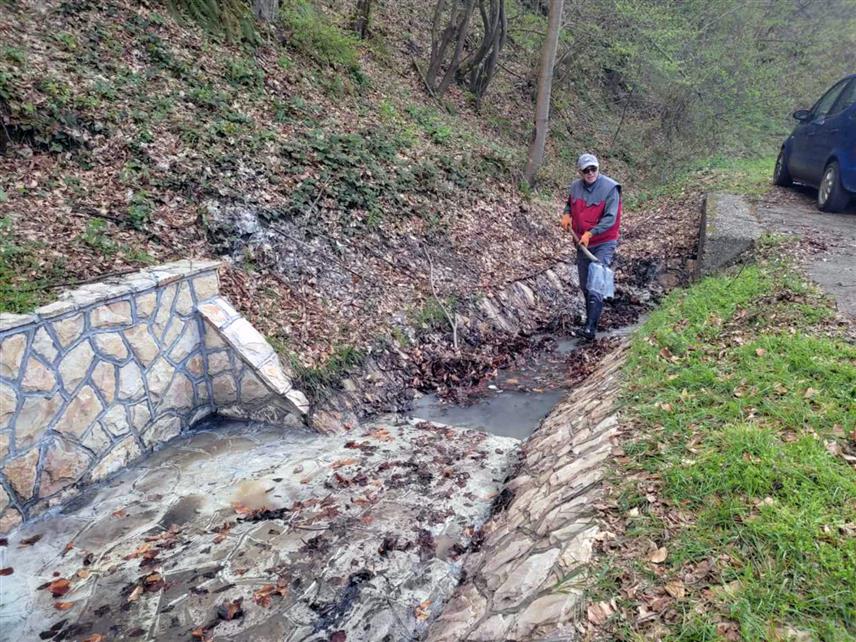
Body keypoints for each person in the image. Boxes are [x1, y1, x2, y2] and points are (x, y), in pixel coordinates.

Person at [560, 153, 621, 341]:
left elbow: (610, 218)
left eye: (593, 169)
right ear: (581, 171)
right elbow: (570, 205)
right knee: (586, 285)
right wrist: (566, 214)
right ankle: (589, 320)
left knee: (596, 283)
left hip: (603, 242)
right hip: (582, 244)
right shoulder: (575, 187)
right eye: (586, 170)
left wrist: (591, 233)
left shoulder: (611, 188)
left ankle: (590, 329)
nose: (590, 173)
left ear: (598, 168)